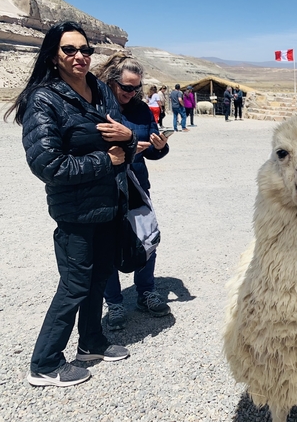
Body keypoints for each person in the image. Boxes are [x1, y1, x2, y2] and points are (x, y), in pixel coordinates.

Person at [3, 21, 136, 387]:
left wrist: (126, 137)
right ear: (53, 55)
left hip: (110, 203)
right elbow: (47, 164)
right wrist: (104, 161)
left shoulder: (100, 90)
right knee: (74, 284)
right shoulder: (44, 99)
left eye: (86, 50)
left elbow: (122, 137)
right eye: (69, 50)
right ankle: (44, 363)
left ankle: (92, 341)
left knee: (99, 277)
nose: (80, 57)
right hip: (75, 209)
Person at [93, 52, 172, 330]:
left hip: (137, 186)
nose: (131, 92)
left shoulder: (140, 109)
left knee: (147, 239)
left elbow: (152, 149)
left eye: (136, 88)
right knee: (108, 246)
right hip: (105, 187)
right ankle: (114, 303)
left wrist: (159, 147)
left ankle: (146, 292)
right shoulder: (96, 105)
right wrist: (125, 148)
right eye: (127, 87)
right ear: (112, 82)